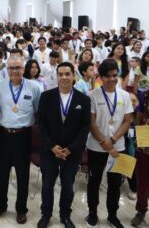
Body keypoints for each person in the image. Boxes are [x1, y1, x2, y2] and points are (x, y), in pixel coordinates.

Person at [37, 62, 91, 228]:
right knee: (47, 185)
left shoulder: (83, 99)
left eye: (67, 74)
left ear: (74, 76)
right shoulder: (46, 96)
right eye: (60, 74)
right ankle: (46, 214)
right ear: (56, 76)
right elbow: (41, 124)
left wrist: (70, 148)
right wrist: (52, 146)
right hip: (49, 150)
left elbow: (84, 127)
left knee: (68, 186)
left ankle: (65, 215)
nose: (64, 77)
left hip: (71, 151)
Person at [0, 55, 41, 224]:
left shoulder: (34, 88)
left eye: (18, 68)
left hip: (23, 135)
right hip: (4, 134)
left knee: (23, 174)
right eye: (11, 68)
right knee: (3, 172)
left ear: (24, 69)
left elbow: (37, 112)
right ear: (6, 70)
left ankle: (21, 209)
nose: (14, 71)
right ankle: (1, 205)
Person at [85, 59, 133, 228]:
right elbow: (91, 123)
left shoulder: (124, 95)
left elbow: (127, 121)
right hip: (96, 147)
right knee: (94, 182)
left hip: (117, 148)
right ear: (101, 77)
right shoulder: (92, 95)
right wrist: (104, 142)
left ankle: (113, 215)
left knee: (114, 183)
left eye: (115, 75)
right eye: (108, 76)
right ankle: (92, 213)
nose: (112, 79)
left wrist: (112, 141)